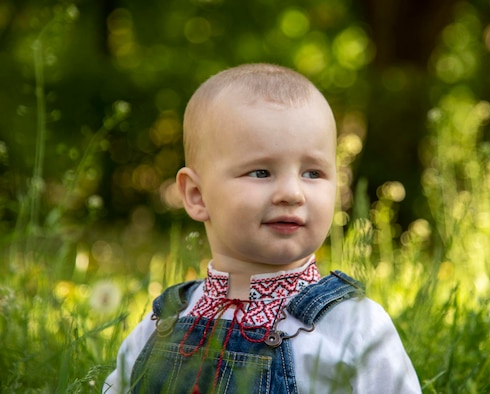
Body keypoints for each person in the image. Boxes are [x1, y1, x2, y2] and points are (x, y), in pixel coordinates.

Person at [103, 63, 421, 393]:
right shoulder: (164, 322)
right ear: (197, 196)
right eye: (261, 172)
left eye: (312, 173)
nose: (292, 193)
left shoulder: (355, 326)